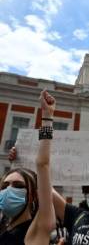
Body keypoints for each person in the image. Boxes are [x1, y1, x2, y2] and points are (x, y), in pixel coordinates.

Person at [0, 89, 56, 244]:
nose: (8, 190)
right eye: (4, 186)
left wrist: (47, 116)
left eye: (17, 185)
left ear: (32, 194)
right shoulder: (4, 227)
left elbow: (42, 164)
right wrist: (17, 165)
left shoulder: (38, 229)